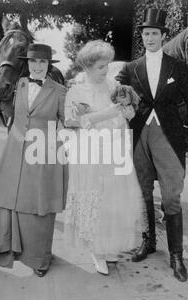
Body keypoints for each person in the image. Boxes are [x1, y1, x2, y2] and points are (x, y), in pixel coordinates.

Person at [116, 9, 188, 282]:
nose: (150, 38)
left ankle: (176, 256)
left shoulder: (178, 68)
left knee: (171, 195)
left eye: (154, 34)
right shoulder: (130, 68)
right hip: (139, 136)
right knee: (143, 190)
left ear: (163, 36)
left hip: (168, 136)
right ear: (142, 36)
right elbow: (116, 94)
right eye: (146, 33)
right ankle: (148, 242)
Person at [63, 40, 144, 275]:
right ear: (87, 67)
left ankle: (108, 245)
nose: (106, 70)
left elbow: (125, 113)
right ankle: (96, 250)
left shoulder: (114, 86)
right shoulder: (77, 91)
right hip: (89, 152)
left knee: (113, 200)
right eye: (100, 66)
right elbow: (70, 121)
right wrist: (102, 114)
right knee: (94, 198)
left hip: (114, 149)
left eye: (107, 65)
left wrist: (128, 114)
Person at [0, 44, 67, 277]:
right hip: (15, 153)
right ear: (28, 64)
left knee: (40, 209)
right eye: (34, 62)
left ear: (49, 65)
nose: (38, 66)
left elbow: (68, 123)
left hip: (42, 154)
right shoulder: (19, 85)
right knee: (12, 204)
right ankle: (10, 249)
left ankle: (40, 259)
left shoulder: (59, 90)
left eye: (43, 62)